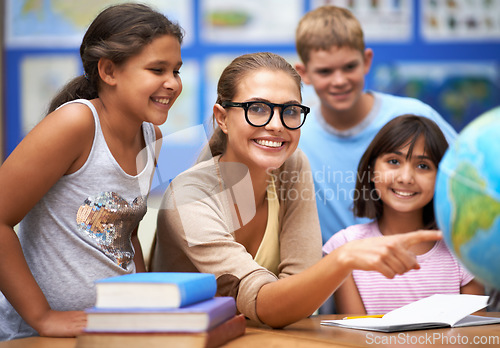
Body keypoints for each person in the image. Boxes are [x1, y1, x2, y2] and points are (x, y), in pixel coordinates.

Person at [151, 52, 442, 328]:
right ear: (222, 118)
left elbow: (298, 290)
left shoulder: (291, 163)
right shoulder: (188, 197)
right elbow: (267, 304)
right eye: (258, 109)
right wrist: (344, 258)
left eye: (289, 111)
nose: (277, 125)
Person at [0, 3, 183, 340]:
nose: (171, 83)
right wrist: (42, 317)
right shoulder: (76, 123)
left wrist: (142, 303)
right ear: (109, 71)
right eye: (157, 70)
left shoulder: (152, 138)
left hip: (111, 328)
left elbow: (124, 237)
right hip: (38, 336)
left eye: (176, 71)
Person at [294, 6, 458, 245]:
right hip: (336, 275)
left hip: (416, 266)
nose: (339, 81)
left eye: (349, 67)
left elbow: (467, 179)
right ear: (304, 73)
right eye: (325, 71)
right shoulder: (295, 133)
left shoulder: (416, 116)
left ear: (366, 61)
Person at [323, 115, 484, 315]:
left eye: (423, 166)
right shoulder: (345, 247)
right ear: (372, 171)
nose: (406, 178)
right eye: (393, 161)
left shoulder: (464, 250)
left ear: (441, 177)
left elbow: (474, 338)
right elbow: (355, 338)